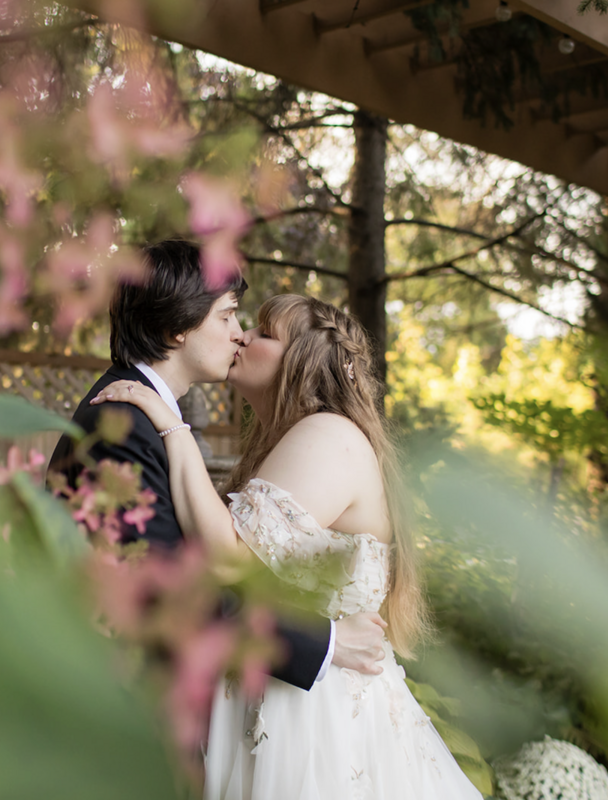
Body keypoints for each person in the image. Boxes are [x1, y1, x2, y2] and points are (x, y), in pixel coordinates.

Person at [91, 294, 484, 800]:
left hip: (316, 725)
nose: (242, 337)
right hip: (278, 699)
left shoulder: (327, 435)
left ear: (300, 361)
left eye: (263, 332)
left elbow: (230, 555)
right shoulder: (291, 441)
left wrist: (171, 425)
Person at [48, 239, 388, 692]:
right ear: (178, 327)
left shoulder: (144, 418)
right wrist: (322, 643)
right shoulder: (125, 422)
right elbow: (161, 584)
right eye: (227, 315)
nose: (239, 333)